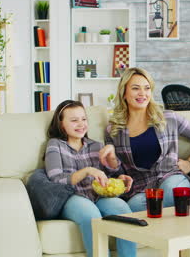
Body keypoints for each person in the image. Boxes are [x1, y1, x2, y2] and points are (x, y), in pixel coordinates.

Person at [99, 67, 190, 212]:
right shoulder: (113, 130)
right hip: (141, 187)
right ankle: (184, 206)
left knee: (170, 194)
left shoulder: (168, 118)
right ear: (124, 93)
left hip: (170, 177)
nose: (142, 93)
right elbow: (117, 170)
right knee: (134, 207)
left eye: (147, 88)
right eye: (136, 88)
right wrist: (114, 166)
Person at [45, 100, 136, 257]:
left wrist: (118, 173)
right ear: (61, 125)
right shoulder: (55, 145)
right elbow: (55, 179)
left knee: (124, 211)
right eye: (74, 120)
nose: (81, 124)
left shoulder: (97, 146)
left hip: (98, 195)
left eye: (84, 119)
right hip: (72, 197)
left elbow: (111, 174)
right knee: (91, 215)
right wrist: (86, 171)